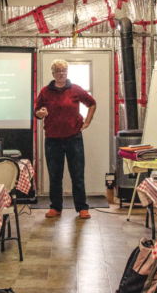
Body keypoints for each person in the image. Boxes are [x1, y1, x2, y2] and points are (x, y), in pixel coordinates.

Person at [34, 59, 96, 219]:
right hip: (52, 140)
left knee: (77, 174)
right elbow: (36, 111)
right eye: (58, 70)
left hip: (73, 138)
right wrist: (40, 113)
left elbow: (92, 103)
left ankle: (82, 207)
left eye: (64, 70)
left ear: (67, 72)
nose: (61, 73)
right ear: (53, 73)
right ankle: (56, 207)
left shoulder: (75, 89)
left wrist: (87, 121)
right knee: (55, 176)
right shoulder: (45, 91)